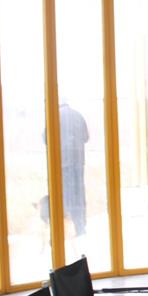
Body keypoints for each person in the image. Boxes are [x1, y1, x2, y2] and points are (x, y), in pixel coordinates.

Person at [58, 101, 89, 237]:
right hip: (78, 161)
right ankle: (80, 227)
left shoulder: (55, 116)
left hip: (63, 162)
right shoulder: (78, 115)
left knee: (66, 195)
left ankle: (66, 229)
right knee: (79, 194)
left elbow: (46, 138)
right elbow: (86, 137)